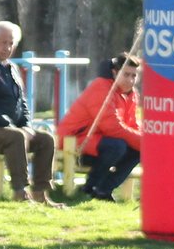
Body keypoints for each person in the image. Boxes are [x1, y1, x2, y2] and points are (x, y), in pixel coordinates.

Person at [0, 20, 64, 208]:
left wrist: (26, 125)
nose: (7, 47)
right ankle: (20, 192)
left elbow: (22, 103)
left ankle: (40, 194)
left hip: (9, 130)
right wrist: (12, 127)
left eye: (11, 43)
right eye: (1, 42)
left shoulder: (11, 68)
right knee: (16, 137)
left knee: (46, 139)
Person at [56, 52, 142, 202]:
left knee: (136, 151)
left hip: (100, 142)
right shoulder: (101, 87)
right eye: (126, 74)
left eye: (134, 76)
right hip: (74, 141)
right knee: (119, 146)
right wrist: (147, 143)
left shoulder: (132, 94)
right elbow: (112, 127)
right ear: (115, 72)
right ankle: (90, 188)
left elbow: (132, 125)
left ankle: (103, 190)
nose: (131, 80)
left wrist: (146, 143)